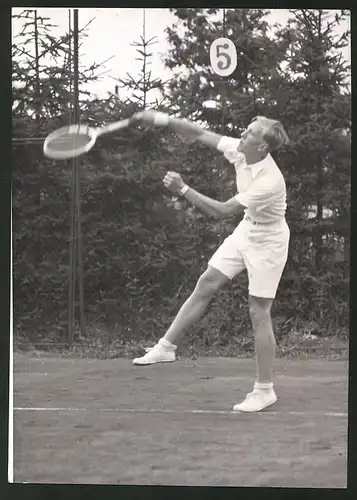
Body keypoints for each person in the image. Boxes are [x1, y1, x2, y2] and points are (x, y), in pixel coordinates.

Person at [130, 110, 290, 412]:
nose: (242, 133)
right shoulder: (241, 151)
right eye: (245, 129)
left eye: (251, 132)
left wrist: (183, 189)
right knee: (207, 282)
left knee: (259, 310)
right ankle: (166, 347)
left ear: (262, 147)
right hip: (247, 229)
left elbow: (221, 211)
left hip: (270, 242)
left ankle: (265, 390)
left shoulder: (270, 181)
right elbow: (199, 133)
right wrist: (161, 119)